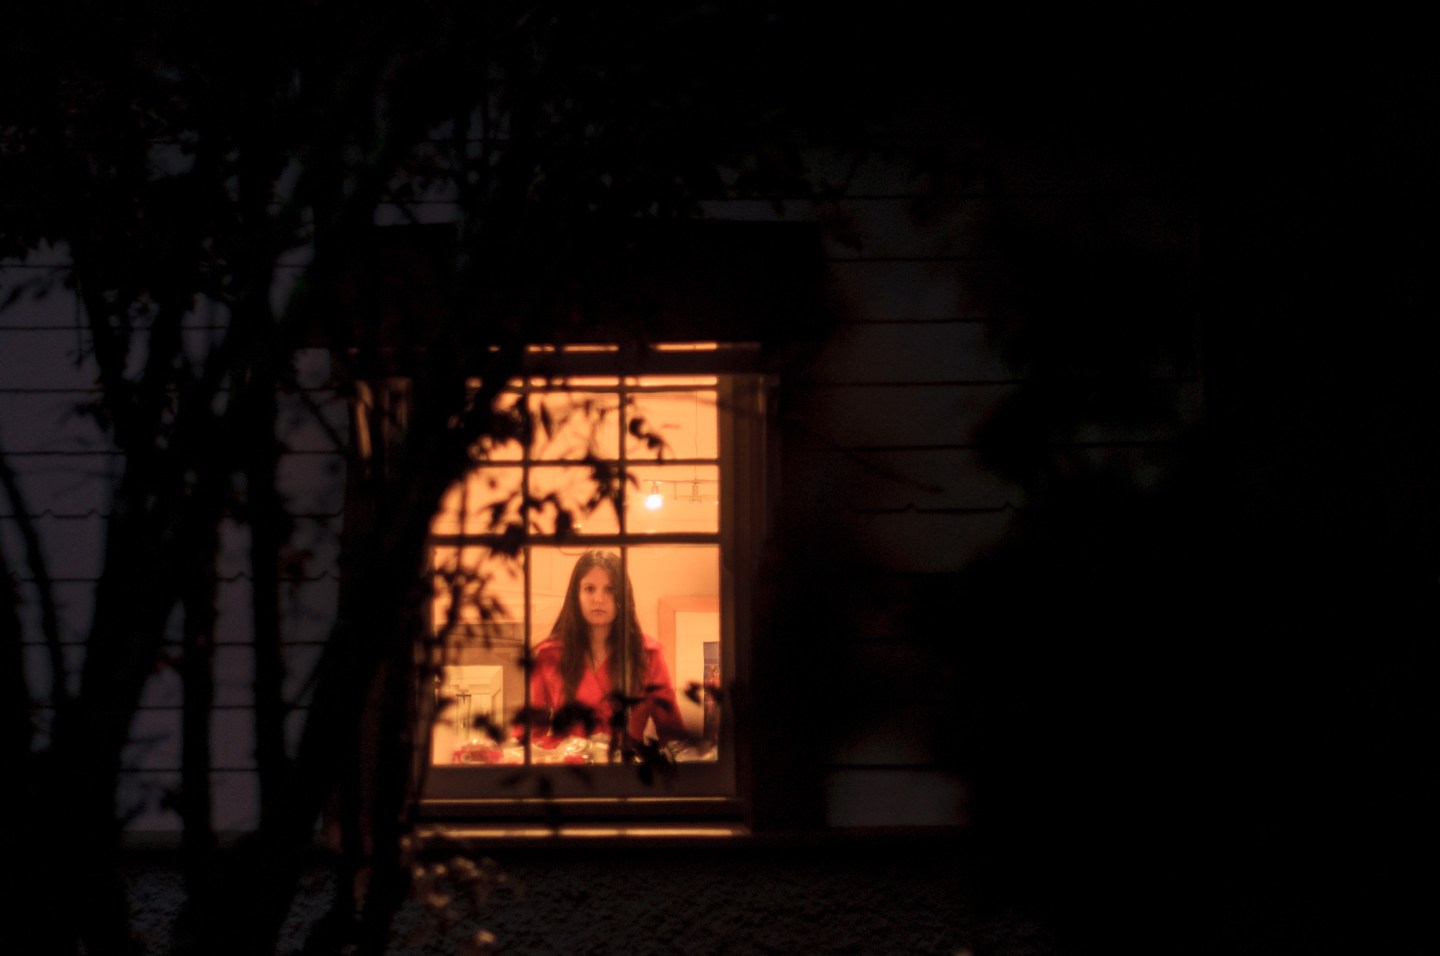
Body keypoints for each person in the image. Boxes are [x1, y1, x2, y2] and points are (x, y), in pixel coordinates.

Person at [519, 550, 685, 748]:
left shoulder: (648, 654)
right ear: (576, 596)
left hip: (628, 772)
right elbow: (528, 736)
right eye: (589, 589)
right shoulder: (549, 655)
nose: (599, 599)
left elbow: (674, 736)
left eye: (610, 590)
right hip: (569, 772)